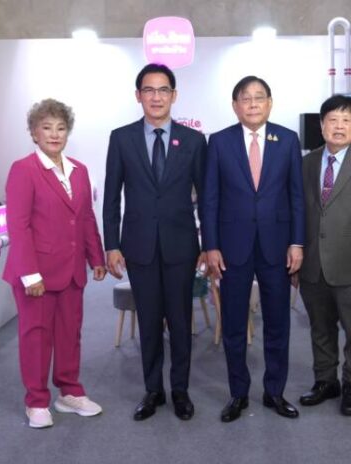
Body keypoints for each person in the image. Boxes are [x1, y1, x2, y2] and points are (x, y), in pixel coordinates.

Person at [103, 63, 207, 422]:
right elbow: (112, 196)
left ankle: (180, 390)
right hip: (139, 246)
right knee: (148, 321)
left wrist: (209, 244)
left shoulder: (193, 141)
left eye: (163, 90)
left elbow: (207, 197)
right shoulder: (121, 138)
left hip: (181, 246)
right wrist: (111, 244)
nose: (156, 97)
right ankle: (153, 390)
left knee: (180, 321)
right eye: (149, 90)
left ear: (174, 95)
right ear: (138, 96)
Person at [202, 75, 304, 423]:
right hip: (233, 248)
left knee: (278, 322)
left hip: (277, 247)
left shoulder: (287, 140)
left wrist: (297, 242)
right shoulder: (219, 142)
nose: (253, 104)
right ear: (235, 106)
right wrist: (211, 245)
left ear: (270, 103)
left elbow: (296, 197)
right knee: (233, 323)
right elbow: (210, 198)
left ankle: (275, 391)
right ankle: (238, 393)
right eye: (245, 98)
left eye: (259, 97)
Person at [2, 98, 106, 429]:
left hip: (72, 270)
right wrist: (29, 274)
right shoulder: (24, 169)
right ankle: (36, 401)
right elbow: (18, 226)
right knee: (36, 336)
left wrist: (96, 256)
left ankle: (69, 392)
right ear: (34, 133)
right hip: (36, 273)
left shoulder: (79, 170)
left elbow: (86, 217)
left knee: (69, 334)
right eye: (46, 127)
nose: (54, 134)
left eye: (61, 128)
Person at [298, 95, 351, 416]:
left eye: (345, 120)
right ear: (322, 125)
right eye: (332, 120)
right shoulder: (306, 163)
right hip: (312, 265)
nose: (338, 126)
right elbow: (298, 213)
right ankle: (325, 381)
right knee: (320, 329)